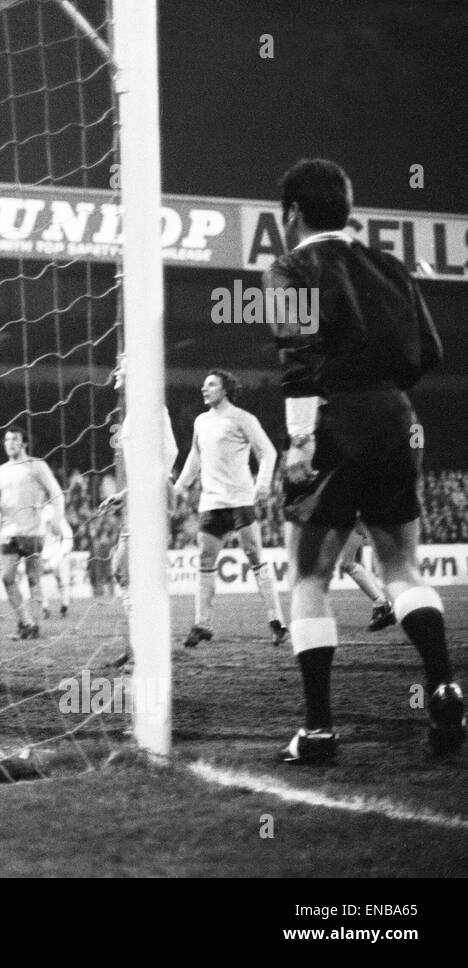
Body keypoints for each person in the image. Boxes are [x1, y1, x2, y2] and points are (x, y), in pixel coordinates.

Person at [267, 157, 460, 763]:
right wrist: (386, 387)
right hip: (396, 416)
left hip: (332, 420)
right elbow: (428, 351)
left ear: (293, 214)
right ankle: (446, 688)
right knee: (403, 567)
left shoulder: (289, 268)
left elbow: (297, 357)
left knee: (310, 576)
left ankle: (319, 731)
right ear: (346, 208)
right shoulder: (390, 266)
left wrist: (299, 442)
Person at [172, 370, 286, 648]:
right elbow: (195, 457)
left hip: (240, 499)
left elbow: (268, 452)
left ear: (225, 390)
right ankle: (202, 623)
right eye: (203, 384)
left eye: (211, 384)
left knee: (254, 556)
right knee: (205, 560)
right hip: (211, 502)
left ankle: (277, 621)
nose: (204, 388)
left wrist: (262, 483)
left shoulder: (242, 418)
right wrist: (179, 487)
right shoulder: (201, 422)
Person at [98, 358, 179, 667]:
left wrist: (144, 491)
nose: (116, 372)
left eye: (122, 368)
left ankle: (146, 649)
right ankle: (140, 647)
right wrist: (125, 494)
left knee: (129, 570)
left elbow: (168, 453)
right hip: (139, 500)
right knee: (125, 570)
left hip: (151, 500)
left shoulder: (152, 408)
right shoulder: (134, 411)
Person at [0, 427, 67, 640]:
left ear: (24, 443)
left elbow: (56, 492)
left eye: (15, 439)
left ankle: (31, 625)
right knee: (7, 578)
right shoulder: (1, 470)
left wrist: (56, 519)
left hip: (33, 532)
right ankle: (26, 621)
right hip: (8, 531)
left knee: (33, 579)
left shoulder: (36, 465)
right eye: (7, 440)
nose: (10, 443)